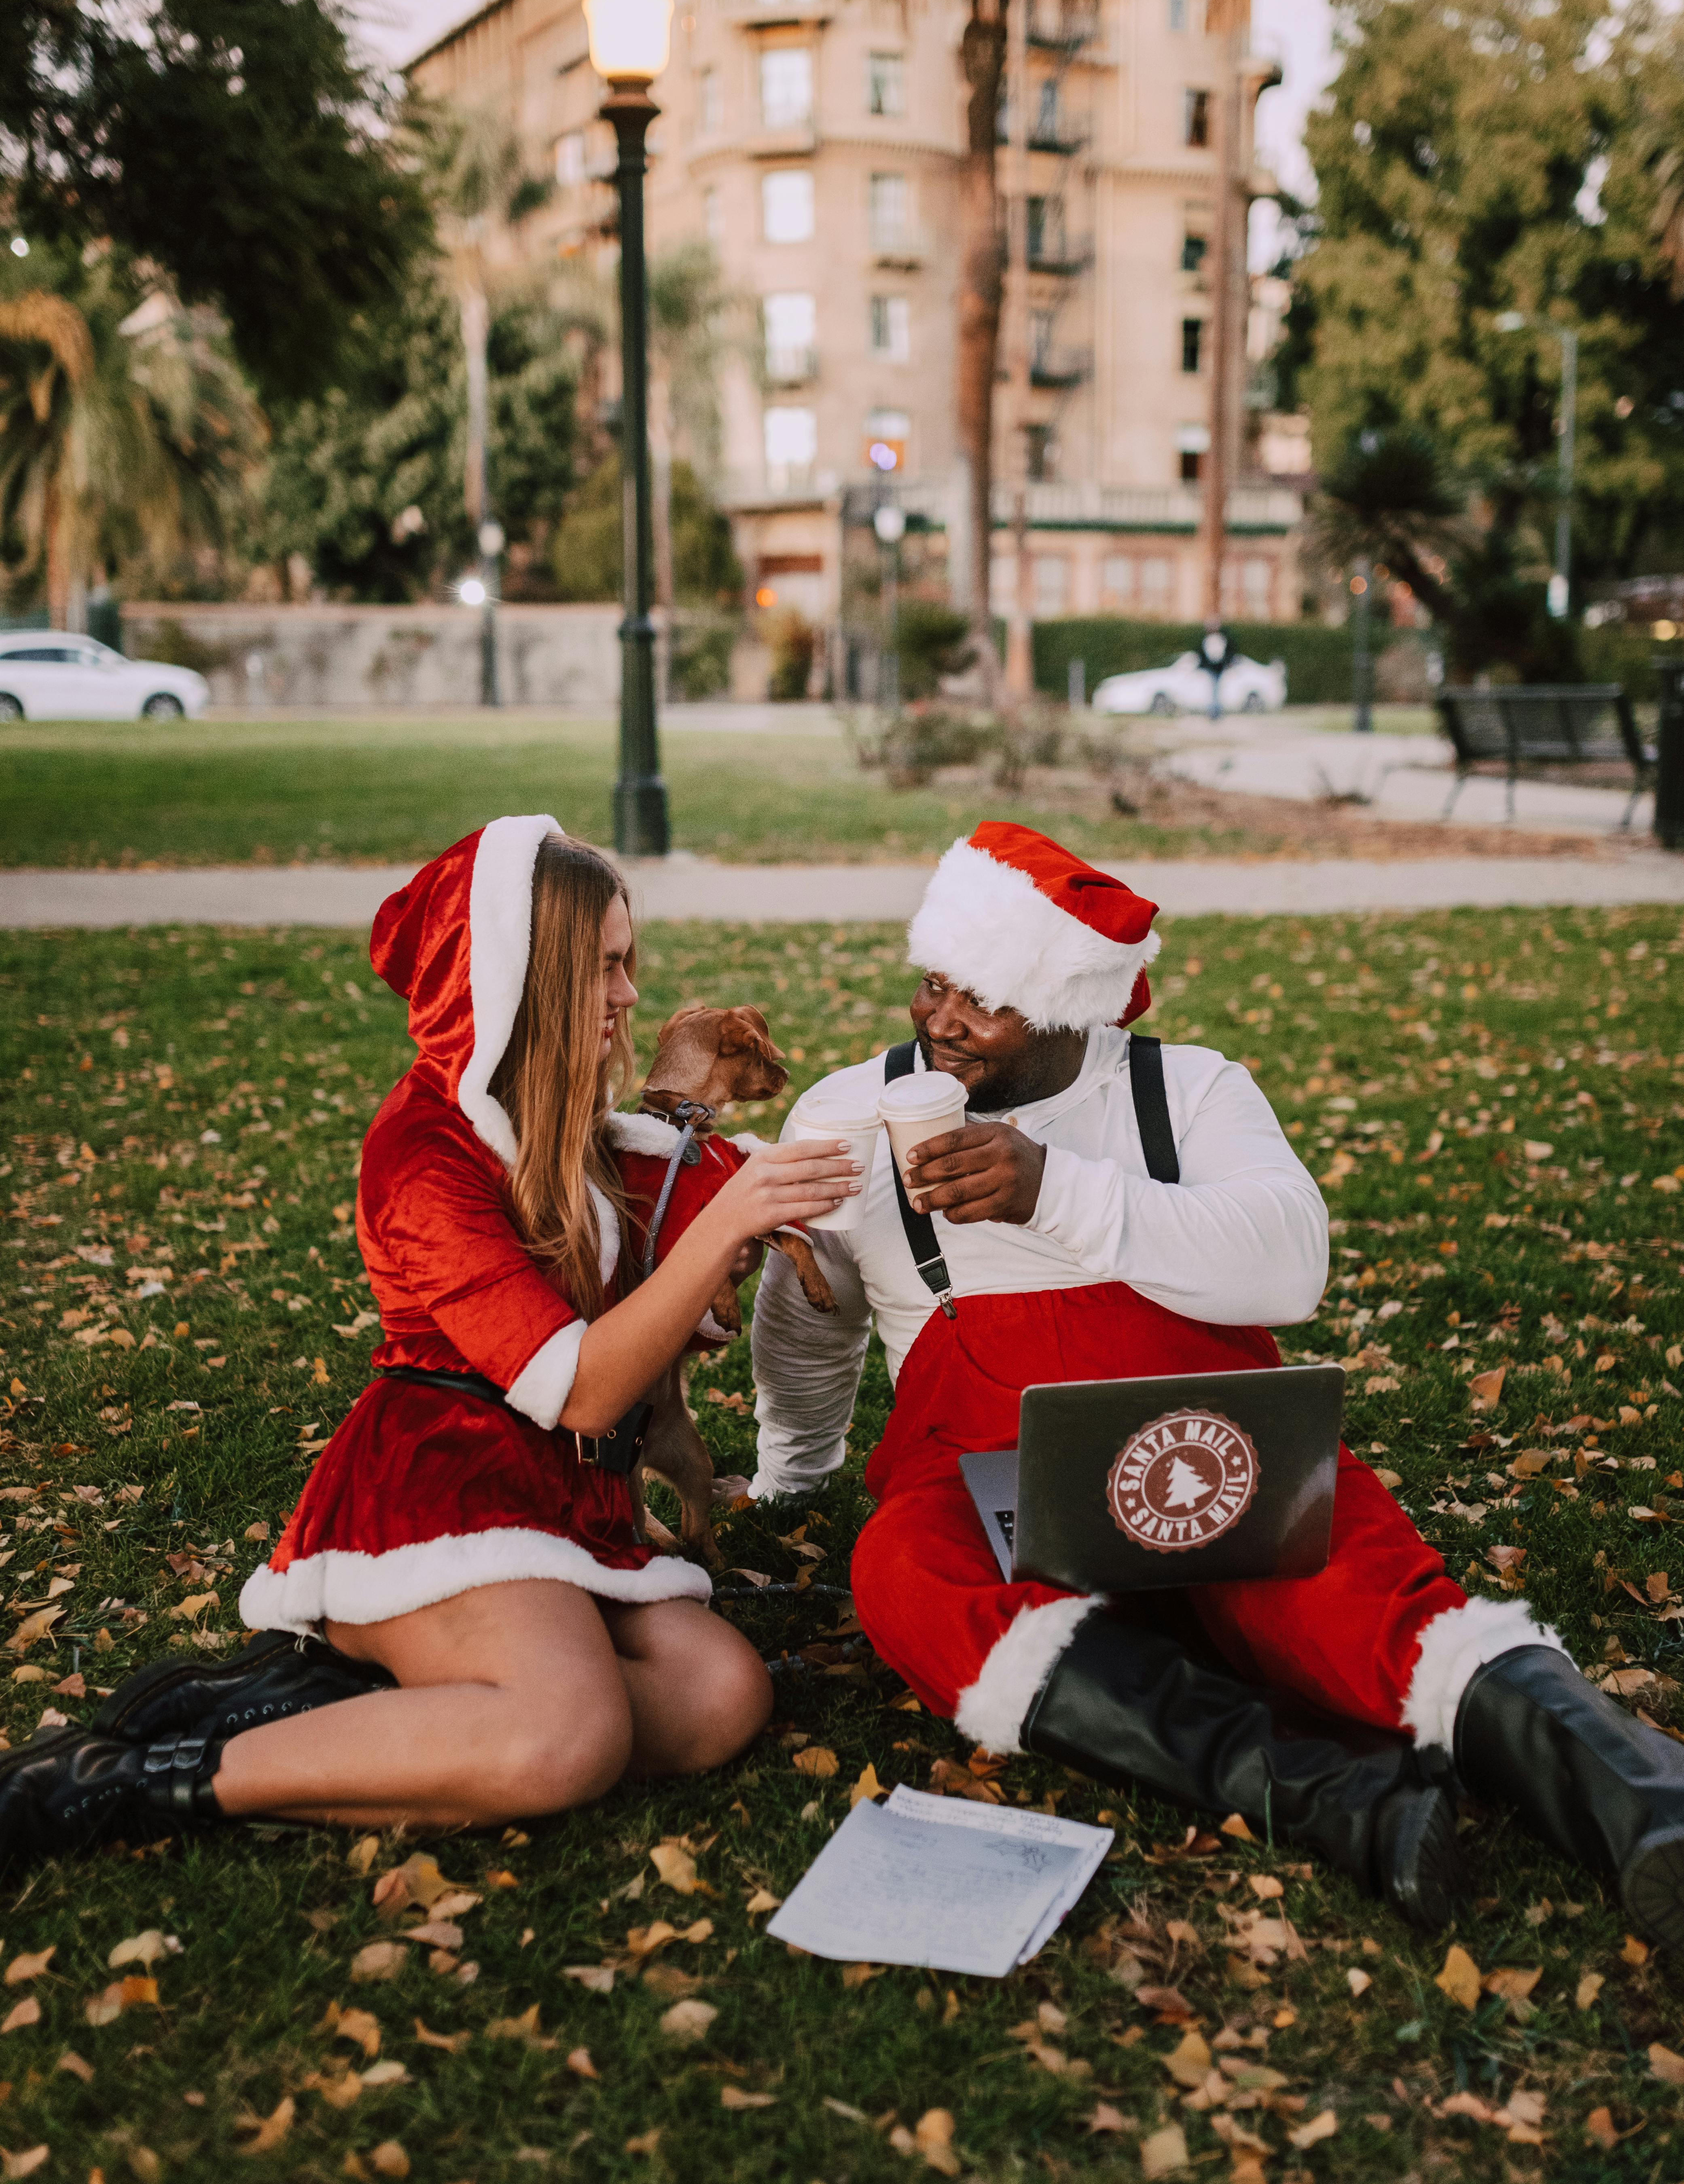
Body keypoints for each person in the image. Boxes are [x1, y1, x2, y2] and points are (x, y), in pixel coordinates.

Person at [748, 820, 1684, 1946]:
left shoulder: (1182, 1091)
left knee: (1362, 1594)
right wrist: (791, 1470)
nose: (941, 1017)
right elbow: (807, 1319)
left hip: (1199, 1449)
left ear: (1070, 1006)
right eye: (933, 981)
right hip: (980, 1474)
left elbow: (1290, 1261)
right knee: (901, 1569)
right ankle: (1338, 1797)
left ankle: (1640, 1811)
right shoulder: (852, 1111)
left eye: (983, 999)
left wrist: (1053, 1189)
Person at [0, 819, 859, 1863]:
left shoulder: (565, 1120)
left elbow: (663, 1247)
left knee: (722, 1694)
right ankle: (146, 1779)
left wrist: (734, 1228)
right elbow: (581, 1388)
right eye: (600, 969)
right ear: (523, 978)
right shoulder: (420, 1151)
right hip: (436, 1486)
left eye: (628, 962)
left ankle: (391, 1703)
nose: (629, 995)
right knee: (567, 1736)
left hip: (561, 1498)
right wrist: (720, 1229)